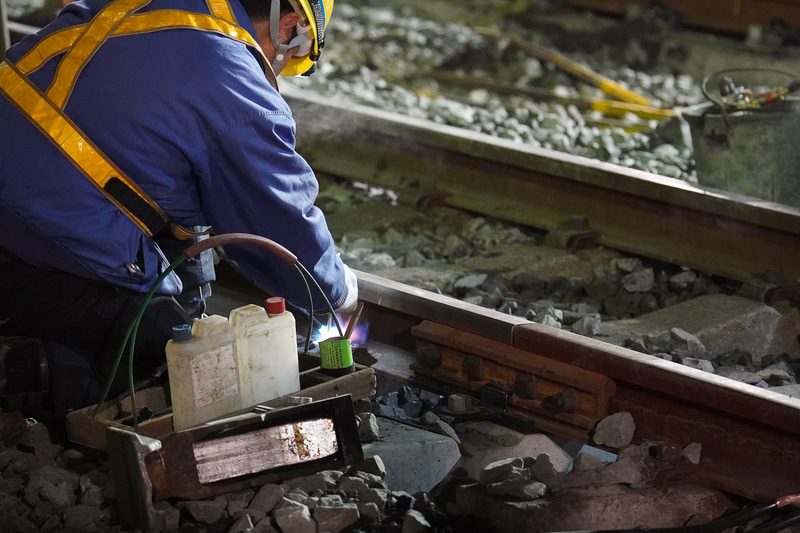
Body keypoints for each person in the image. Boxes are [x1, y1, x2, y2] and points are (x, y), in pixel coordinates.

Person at [0, 0, 357, 426]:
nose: (279, 69)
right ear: (292, 26)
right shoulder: (235, 80)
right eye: (294, 57)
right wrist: (336, 292)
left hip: (24, 183)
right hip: (37, 228)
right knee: (171, 378)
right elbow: (278, 221)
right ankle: (22, 373)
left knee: (185, 236)